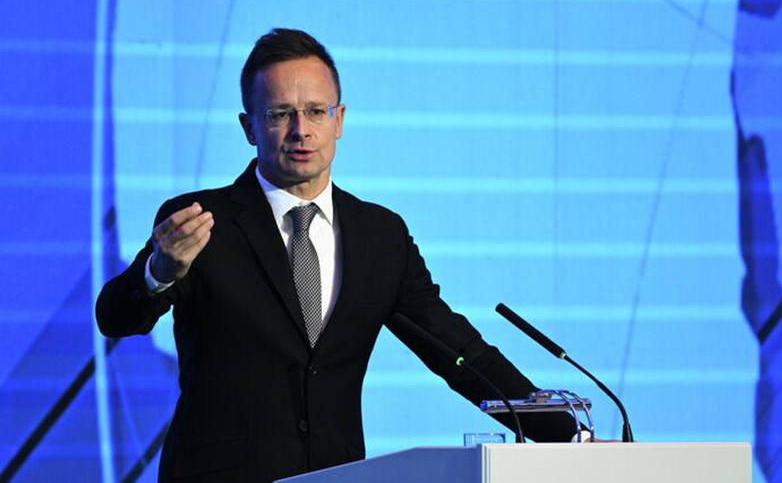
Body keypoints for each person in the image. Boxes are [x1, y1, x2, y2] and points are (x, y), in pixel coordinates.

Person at [96, 28, 574, 482]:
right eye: (280, 114)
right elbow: (115, 318)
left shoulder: (380, 236)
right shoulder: (199, 222)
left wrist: (567, 435)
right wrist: (158, 272)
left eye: (315, 112)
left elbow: (456, 351)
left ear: (339, 120)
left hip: (338, 474)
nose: (300, 130)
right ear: (249, 127)